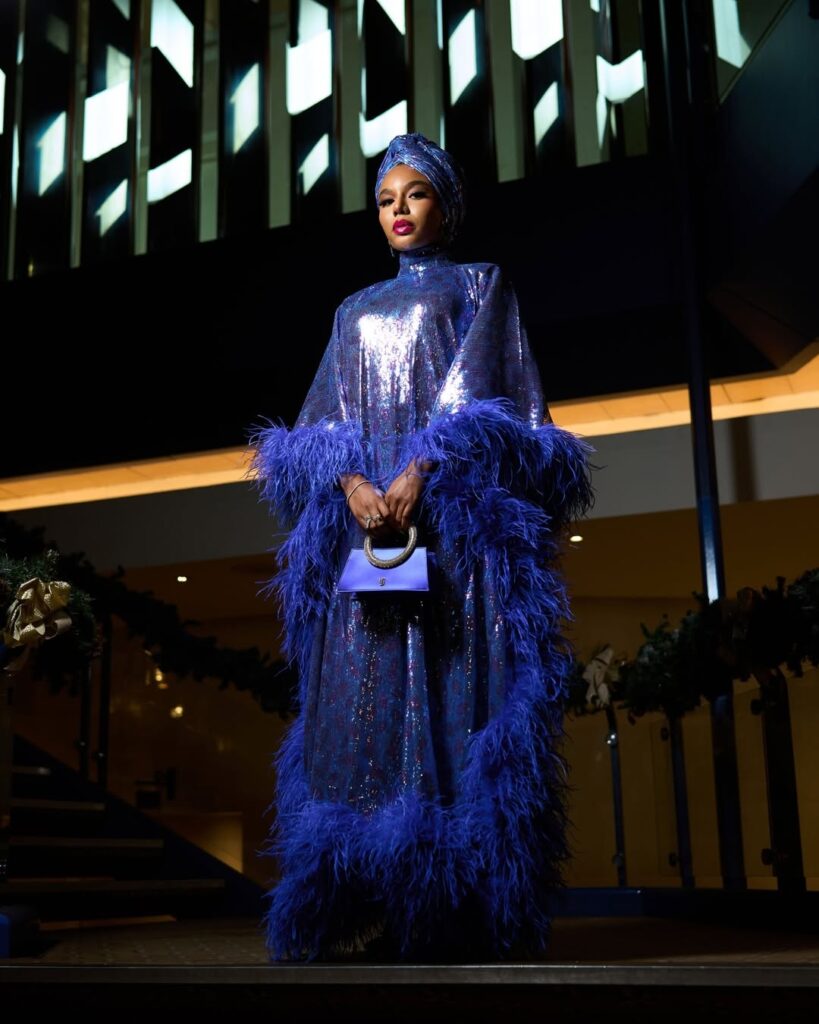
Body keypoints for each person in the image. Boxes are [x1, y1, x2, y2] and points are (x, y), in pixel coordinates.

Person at [245, 132, 595, 963]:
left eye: (415, 194)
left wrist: (417, 471)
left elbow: (485, 397)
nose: (398, 211)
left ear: (447, 204)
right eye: (385, 200)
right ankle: (361, 902)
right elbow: (322, 420)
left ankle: (449, 913)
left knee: (452, 689)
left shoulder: (480, 284)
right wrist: (352, 486)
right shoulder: (351, 308)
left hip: (450, 535)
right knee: (357, 704)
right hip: (370, 534)